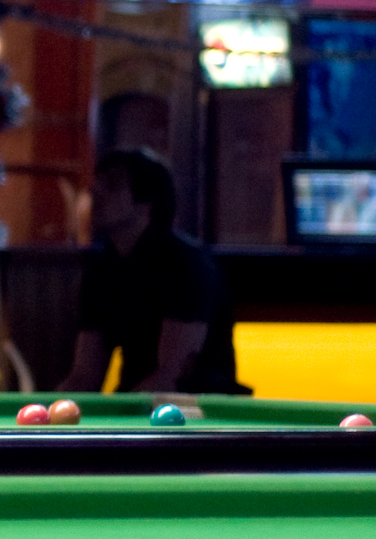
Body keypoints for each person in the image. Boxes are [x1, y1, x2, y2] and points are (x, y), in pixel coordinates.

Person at [58, 148, 242, 395]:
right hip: (136, 400)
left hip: (199, 406)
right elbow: (85, 376)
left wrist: (124, 412)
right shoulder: (101, 271)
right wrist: (51, 410)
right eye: (97, 183)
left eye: (112, 184)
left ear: (146, 202)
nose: (95, 192)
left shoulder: (184, 265)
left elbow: (173, 375)